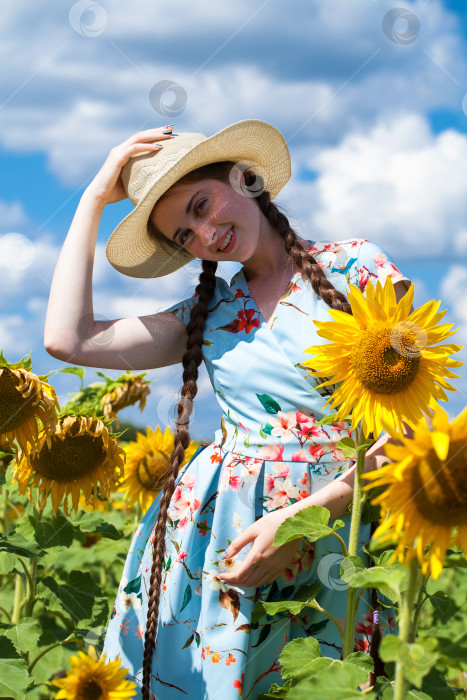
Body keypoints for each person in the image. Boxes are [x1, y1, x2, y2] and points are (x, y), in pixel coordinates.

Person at [44, 119, 408, 699]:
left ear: (245, 178)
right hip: (217, 541)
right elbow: (70, 340)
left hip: (339, 540)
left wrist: (301, 520)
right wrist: (92, 198)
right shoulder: (208, 311)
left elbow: (408, 433)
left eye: (201, 204)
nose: (205, 233)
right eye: (185, 234)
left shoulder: (355, 267)